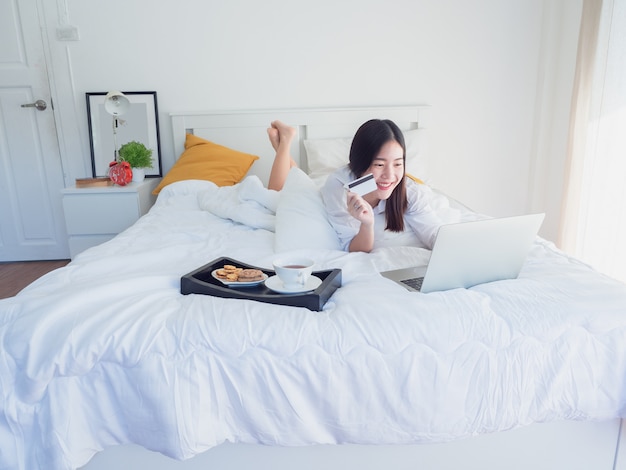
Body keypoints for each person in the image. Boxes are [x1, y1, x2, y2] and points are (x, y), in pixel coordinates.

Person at [321, 119, 459, 252]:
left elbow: (433, 234)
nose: (390, 175)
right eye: (379, 165)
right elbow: (354, 248)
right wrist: (367, 224)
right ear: (360, 163)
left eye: (398, 164)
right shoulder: (338, 188)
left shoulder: (409, 190)